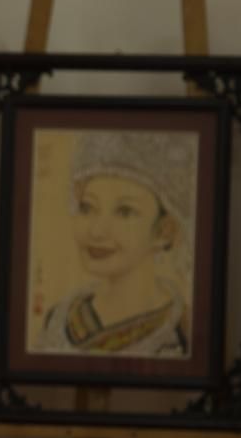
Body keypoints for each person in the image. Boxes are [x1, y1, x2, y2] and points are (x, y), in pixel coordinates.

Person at [37, 131, 196, 357]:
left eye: (124, 212)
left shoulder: (185, 333)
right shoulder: (58, 319)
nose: (96, 231)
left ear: (164, 231)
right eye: (87, 207)